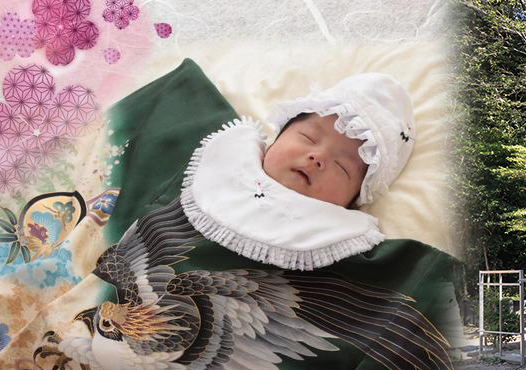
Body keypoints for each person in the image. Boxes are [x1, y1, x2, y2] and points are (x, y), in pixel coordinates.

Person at [0, 65, 459, 370]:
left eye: (343, 165)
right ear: (275, 134)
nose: (318, 157)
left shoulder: (344, 249)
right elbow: (135, 131)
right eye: (307, 135)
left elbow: (415, 296)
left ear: (356, 199)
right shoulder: (207, 155)